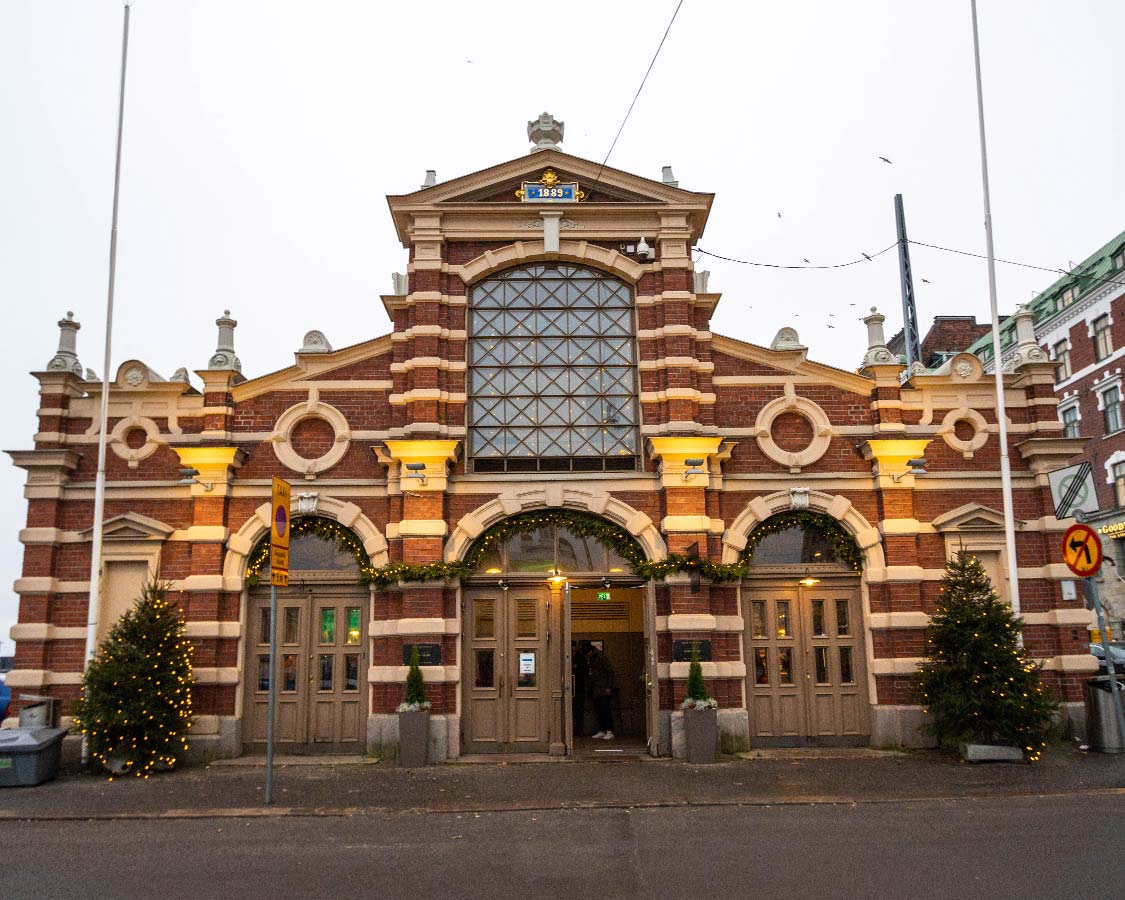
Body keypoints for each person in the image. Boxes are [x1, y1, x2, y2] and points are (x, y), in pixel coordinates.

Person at [587, 645, 615, 740]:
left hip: (602, 688)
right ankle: (604, 730)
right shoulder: (596, 657)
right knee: (600, 710)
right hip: (598, 688)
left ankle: (609, 731)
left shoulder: (599, 658)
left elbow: (610, 671)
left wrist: (608, 686)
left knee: (605, 709)